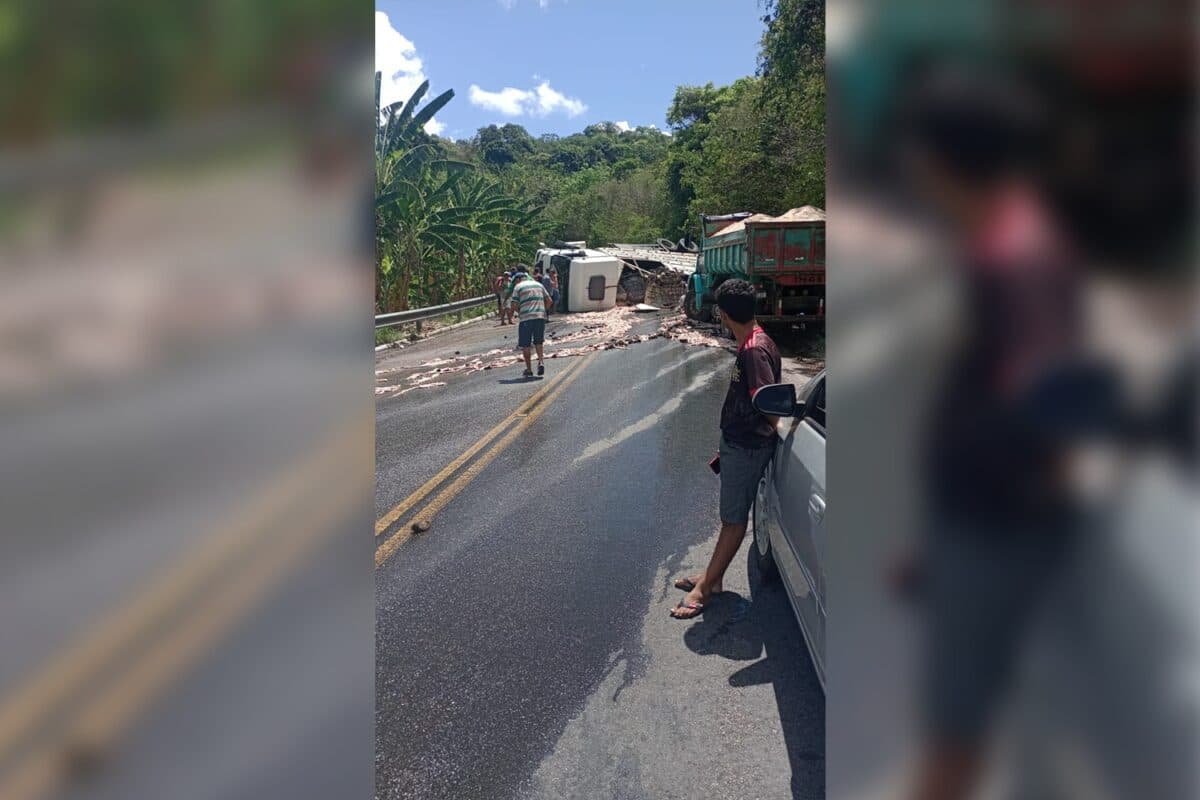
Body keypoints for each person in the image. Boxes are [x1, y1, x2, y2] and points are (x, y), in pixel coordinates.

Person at [671, 279, 781, 619]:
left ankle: (706, 590)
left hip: (746, 447)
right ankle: (712, 577)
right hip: (740, 445)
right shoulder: (754, 341)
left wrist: (770, 427)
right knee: (728, 518)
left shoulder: (753, 350)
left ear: (722, 314)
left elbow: (767, 402)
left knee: (733, 521)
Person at [508, 268, 553, 378]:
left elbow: (513, 305)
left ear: (518, 279)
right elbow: (549, 301)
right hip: (540, 317)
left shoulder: (518, 287)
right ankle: (541, 362)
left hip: (526, 319)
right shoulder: (538, 285)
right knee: (538, 342)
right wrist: (543, 311)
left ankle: (529, 369)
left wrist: (519, 312)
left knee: (526, 344)